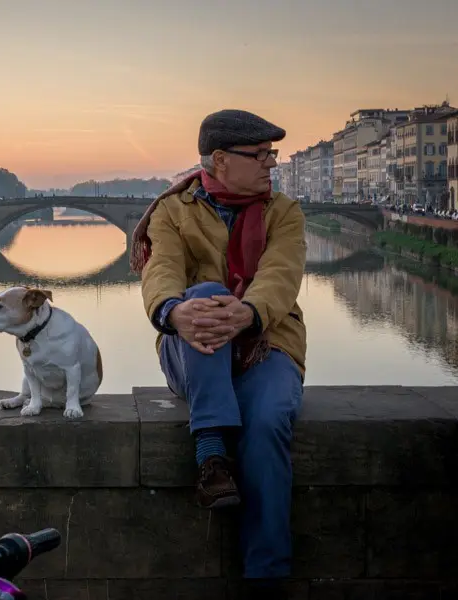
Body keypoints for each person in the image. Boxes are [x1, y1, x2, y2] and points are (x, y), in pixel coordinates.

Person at [130, 109, 307, 599]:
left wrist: (248, 313)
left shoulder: (284, 212)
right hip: (190, 349)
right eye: (262, 155)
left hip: (266, 341)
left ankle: (265, 576)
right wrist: (171, 310)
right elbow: (160, 268)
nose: (272, 163)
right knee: (204, 290)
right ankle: (211, 448)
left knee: (270, 418)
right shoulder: (172, 211)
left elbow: (281, 274)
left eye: (273, 154)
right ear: (222, 160)